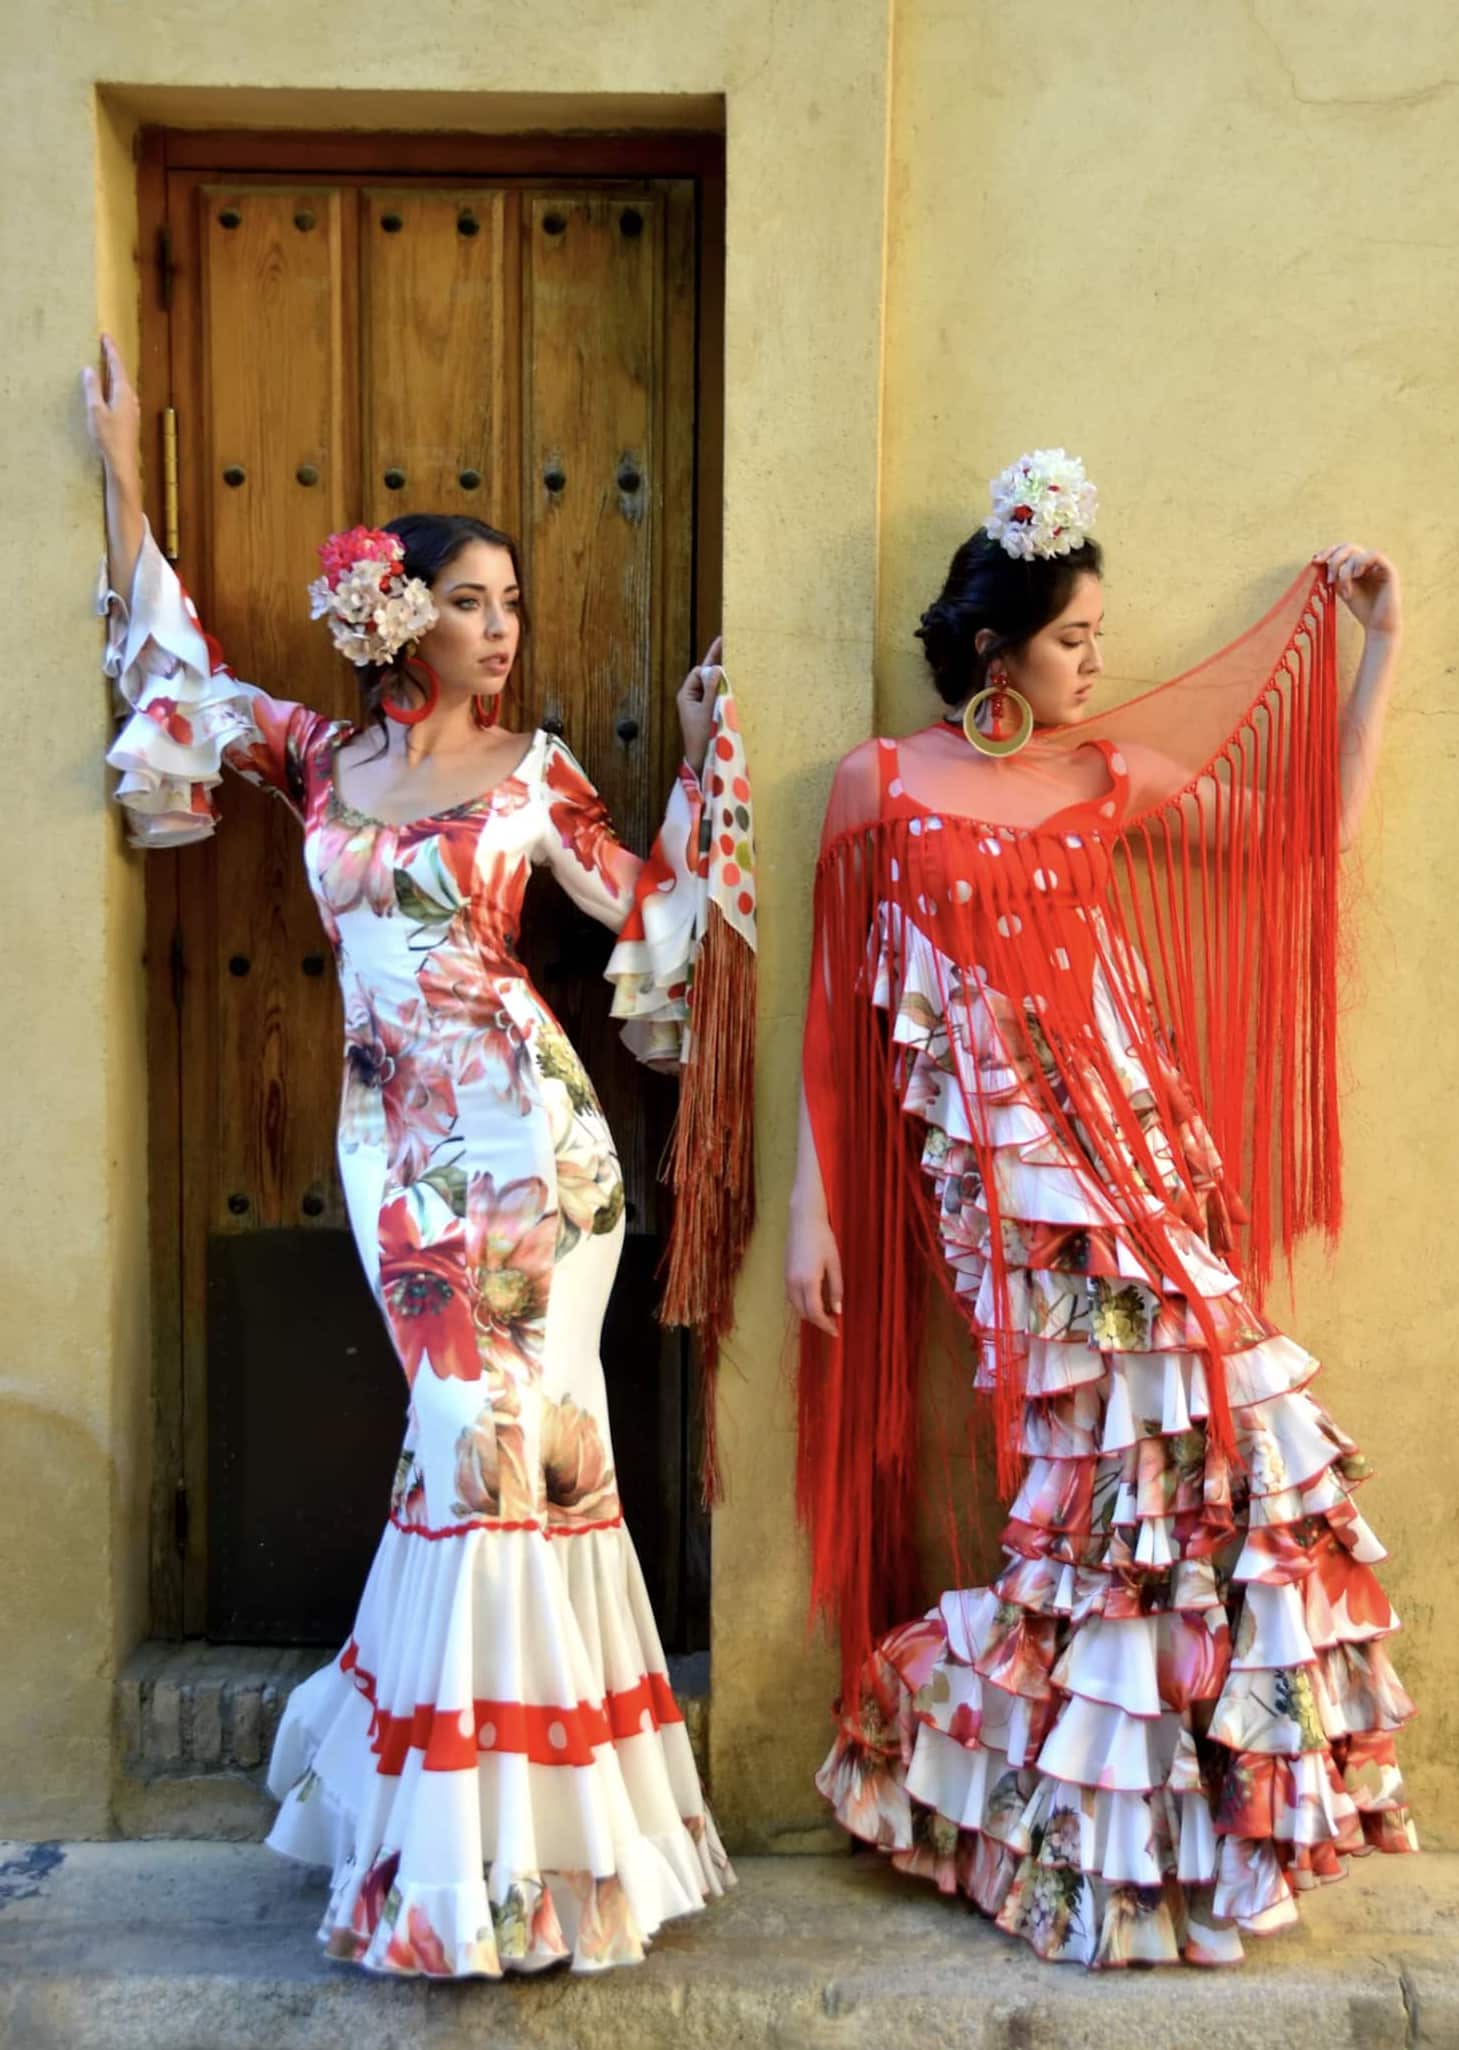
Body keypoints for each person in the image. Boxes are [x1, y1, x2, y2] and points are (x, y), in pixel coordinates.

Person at [85, 335, 733, 1978]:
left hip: (539, 1144)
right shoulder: (322, 762)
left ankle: (526, 1860)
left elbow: (647, 909)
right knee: (465, 1447)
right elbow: (180, 678)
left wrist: (702, 755)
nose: (502, 628)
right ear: (399, 618)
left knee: (519, 1452)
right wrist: (123, 478)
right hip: (397, 1149)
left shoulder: (538, 775)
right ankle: (468, 1840)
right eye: (470, 601)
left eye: (513, 604)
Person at [788, 448, 1413, 1968]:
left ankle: (1151, 1838)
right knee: (1108, 1470)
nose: (1095, 664)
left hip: (1136, 1146)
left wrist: (1382, 647)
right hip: (1009, 1178)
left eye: (1100, 637)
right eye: (1074, 637)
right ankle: (1031, 1799)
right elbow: (834, 1015)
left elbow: (1310, 834)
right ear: (993, 647)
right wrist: (816, 1207)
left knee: (1216, 1439)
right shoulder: (881, 782)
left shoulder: (1100, 774)